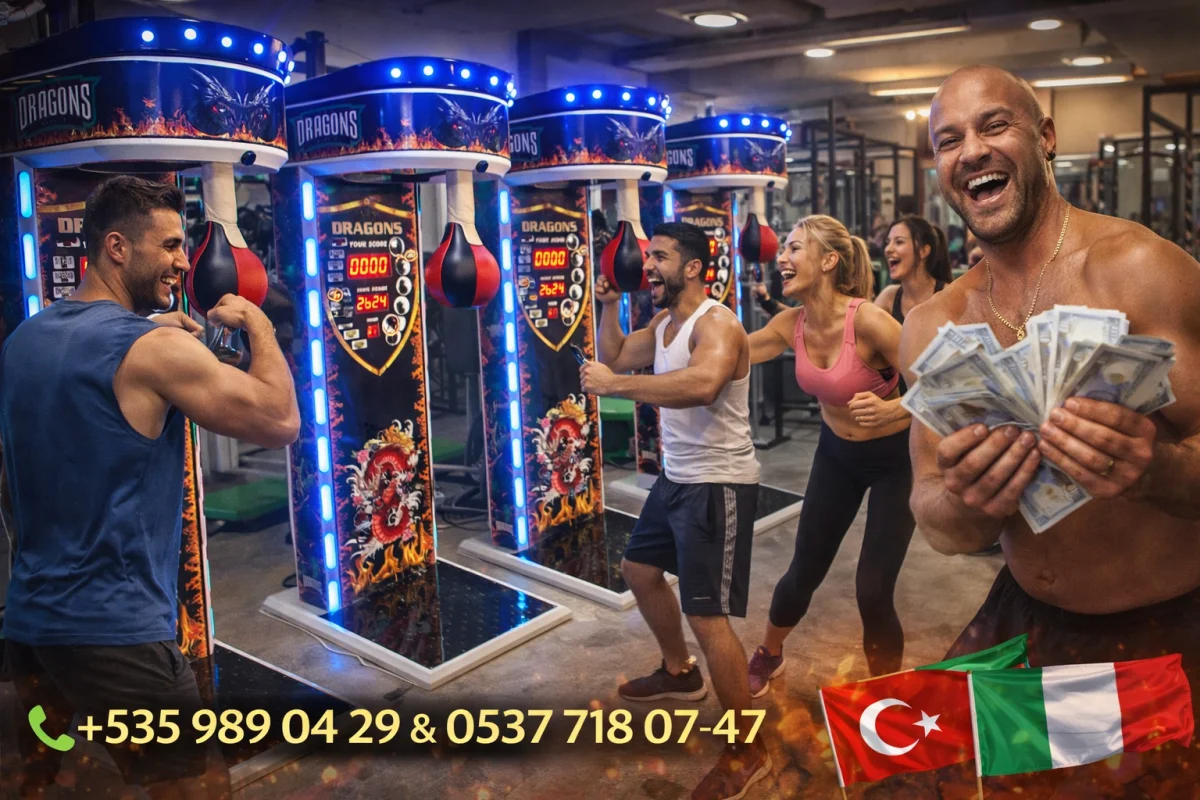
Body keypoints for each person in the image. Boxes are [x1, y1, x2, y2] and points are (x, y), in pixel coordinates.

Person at [902, 65, 1200, 792]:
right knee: (919, 767)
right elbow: (933, 514)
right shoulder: (932, 326)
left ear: (1046, 138)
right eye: (949, 140)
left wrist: (1158, 469)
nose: (972, 150)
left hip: (1170, 631)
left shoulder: (1141, 271)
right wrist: (971, 500)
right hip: (1026, 620)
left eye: (994, 125)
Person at [0, 176, 300, 799]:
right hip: (117, 635)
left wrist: (153, 336)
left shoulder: (25, 341)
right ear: (117, 247)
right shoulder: (152, 349)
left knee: (44, 781)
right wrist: (259, 324)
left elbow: (12, 483)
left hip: (31, 626)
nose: (183, 262)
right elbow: (280, 421)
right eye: (168, 245)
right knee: (197, 786)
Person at [581, 221, 769, 800]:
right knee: (639, 571)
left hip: (718, 483)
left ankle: (748, 748)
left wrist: (616, 386)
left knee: (707, 615)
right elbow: (615, 353)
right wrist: (608, 307)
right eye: (647, 257)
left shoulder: (718, 323)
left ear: (692, 267)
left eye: (659, 257)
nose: (648, 267)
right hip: (679, 477)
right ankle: (679, 673)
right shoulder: (664, 324)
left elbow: (703, 385)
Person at [742, 214, 915, 698]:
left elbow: (940, 386)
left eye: (794, 248)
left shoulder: (869, 321)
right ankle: (770, 653)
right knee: (802, 572)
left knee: (873, 588)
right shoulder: (789, 324)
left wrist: (893, 409)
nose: (782, 257)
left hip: (896, 460)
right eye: (784, 249)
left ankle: (887, 697)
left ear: (828, 261)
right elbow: (729, 353)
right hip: (836, 455)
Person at [874, 215, 952, 326]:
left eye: (899, 242)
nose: (888, 249)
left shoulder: (948, 297)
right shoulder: (888, 297)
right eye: (888, 242)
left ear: (923, 251)